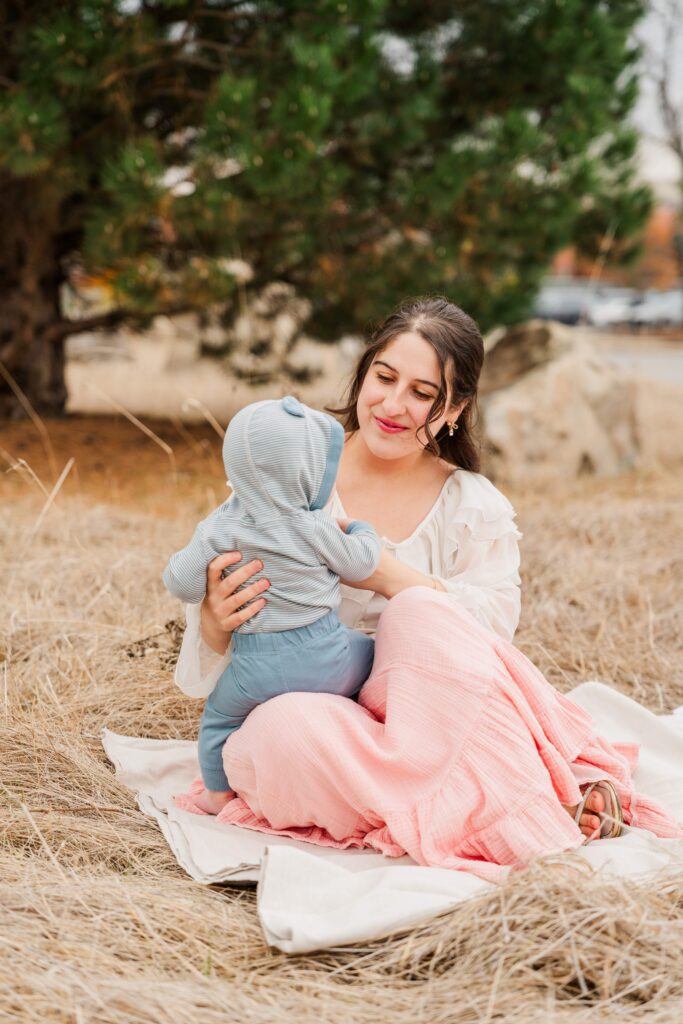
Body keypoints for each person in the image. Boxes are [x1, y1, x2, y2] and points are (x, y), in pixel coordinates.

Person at [173, 297, 682, 881]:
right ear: (362, 376)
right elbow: (213, 671)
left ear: (455, 409)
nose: (393, 405)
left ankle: (499, 803)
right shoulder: (285, 478)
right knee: (278, 733)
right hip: (324, 722)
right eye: (384, 378)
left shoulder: (472, 506)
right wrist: (214, 621)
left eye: (422, 393)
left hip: (430, 717)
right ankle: (494, 806)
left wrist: (385, 575)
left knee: (419, 611)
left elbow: (488, 647)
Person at [164, 395, 379, 813]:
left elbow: (180, 584)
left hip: (254, 669)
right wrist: (359, 528)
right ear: (307, 473)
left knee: (217, 718)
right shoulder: (313, 525)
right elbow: (362, 562)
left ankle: (216, 794)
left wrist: (198, 568)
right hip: (326, 658)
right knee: (375, 652)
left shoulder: (219, 528)